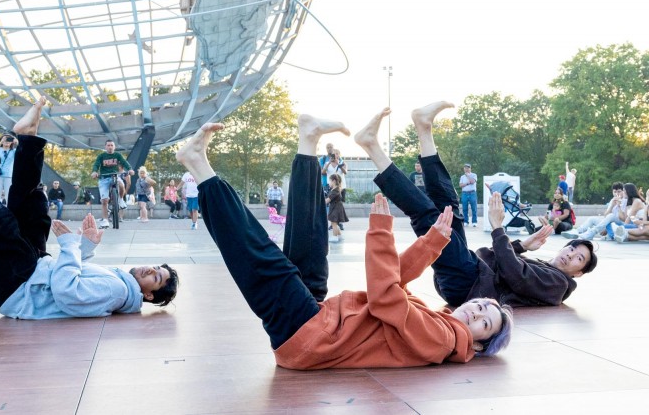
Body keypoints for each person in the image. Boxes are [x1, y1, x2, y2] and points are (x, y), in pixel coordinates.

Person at [175, 115, 512, 370]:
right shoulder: (437, 320)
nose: (476, 312)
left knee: (259, 256)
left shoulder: (443, 339)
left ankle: (197, 164)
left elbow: (385, 298)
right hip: (322, 321)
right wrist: (432, 244)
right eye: (482, 306)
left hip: (309, 336)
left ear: (480, 345)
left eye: (485, 323)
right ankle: (307, 142)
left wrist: (381, 232)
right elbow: (398, 280)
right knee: (310, 251)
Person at [0, 99, 179, 319]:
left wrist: (70, 245)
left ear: (148, 295)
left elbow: (67, 293)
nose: (150, 270)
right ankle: (28, 138)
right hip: (34, 271)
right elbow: (77, 277)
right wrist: (84, 247)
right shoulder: (121, 282)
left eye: (155, 278)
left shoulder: (118, 292)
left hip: (18, 288)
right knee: (34, 212)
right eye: (157, 268)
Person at [358, 102, 597, 308]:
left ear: (578, 273)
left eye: (579, 259)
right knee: (449, 207)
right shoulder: (548, 271)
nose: (571, 254)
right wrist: (522, 245)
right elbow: (501, 262)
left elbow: (514, 275)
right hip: (469, 273)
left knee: (430, 217)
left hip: (468, 285)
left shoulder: (558, 285)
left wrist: (497, 227)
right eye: (572, 249)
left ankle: (371, 147)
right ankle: (424, 128)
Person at [91, 140, 132, 228]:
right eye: (108, 145)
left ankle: (120, 200)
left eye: (111, 145)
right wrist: (94, 172)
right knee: (104, 201)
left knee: (121, 184)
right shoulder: (101, 156)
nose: (110, 147)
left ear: (114, 147)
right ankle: (105, 220)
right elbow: (96, 165)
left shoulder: (117, 155)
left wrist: (130, 169)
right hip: (104, 178)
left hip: (115, 176)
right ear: (105, 147)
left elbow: (124, 162)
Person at [0, 134, 17, 204]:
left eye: (9, 139)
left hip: (8, 176)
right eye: (5, 139)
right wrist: (0, 143)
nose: (7, 141)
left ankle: (9, 212)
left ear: (12, 142)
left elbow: (22, 152)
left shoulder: (13, 151)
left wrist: (17, 142)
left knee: (9, 196)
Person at [325, 174, 348, 243]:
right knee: (335, 223)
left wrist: (320, 202)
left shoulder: (336, 190)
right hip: (335, 207)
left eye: (330, 181)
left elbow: (328, 200)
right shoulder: (335, 189)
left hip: (336, 208)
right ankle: (340, 236)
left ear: (334, 181)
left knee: (334, 223)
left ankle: (335, 237)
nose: (329, 183)